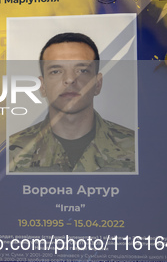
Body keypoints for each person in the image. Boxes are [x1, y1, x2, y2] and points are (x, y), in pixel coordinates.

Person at [8, 32, 135, 173]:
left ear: (98, 84)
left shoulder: (136, 147)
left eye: (82, 70)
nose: (70, 79)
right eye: (56, 71)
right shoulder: (10, 153)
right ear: (42, 86)